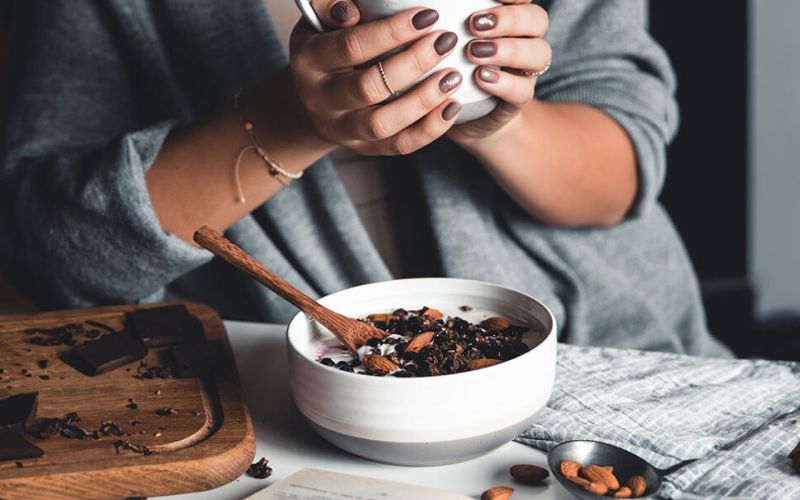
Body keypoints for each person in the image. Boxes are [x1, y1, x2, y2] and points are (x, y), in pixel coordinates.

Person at [0, 0, 731, 357]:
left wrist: (500, 122)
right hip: (287, 394)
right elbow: (59, 256)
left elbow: (621, 177)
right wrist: (293, 118)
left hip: (602, 352)